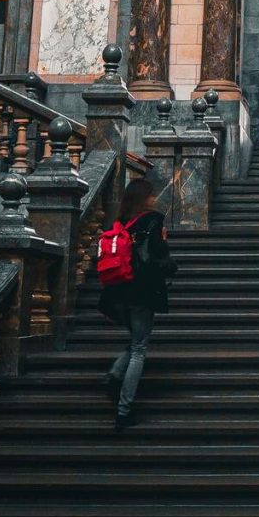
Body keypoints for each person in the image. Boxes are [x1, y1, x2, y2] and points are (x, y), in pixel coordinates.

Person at [100, 178, 174, 431]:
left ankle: (113, 375)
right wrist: (164, 245)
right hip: (141, 292)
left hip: (117, 292)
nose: (154, 198)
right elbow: (156, 256)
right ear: (144, 198)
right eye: (151, 195)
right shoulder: (153, 220)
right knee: (140, 348)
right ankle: (123, 410)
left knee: (135, 341)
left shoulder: (119, 222)